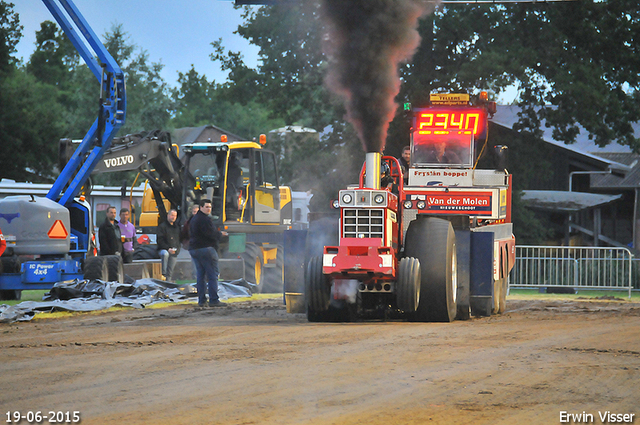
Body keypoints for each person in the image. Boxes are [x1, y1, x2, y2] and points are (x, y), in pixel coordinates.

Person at [189, 199, 228, 307]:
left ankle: (201, 300)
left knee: (200, 276)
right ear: (201, 207)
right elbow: (210, 234)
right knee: (212, 275)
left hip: (194, 249)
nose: (209, 209)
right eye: (206, 207)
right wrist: (220, 235)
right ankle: (214, 300)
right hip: (205, 249)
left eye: (210, 207)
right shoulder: (205, 219)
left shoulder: (194, 219)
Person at [157, 209, 181, 281]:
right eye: (172, 215)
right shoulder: (162, 227)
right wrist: (168, 248)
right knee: (165, 254)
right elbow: (159, 240)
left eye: (175, 216)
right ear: (168, 215)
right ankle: (163, 274)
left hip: (174, 251)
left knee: (170, 272)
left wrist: (177, 250)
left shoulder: (177, 227)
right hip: (163, 249)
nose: (173, 217)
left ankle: (168, 283)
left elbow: (178, 240)